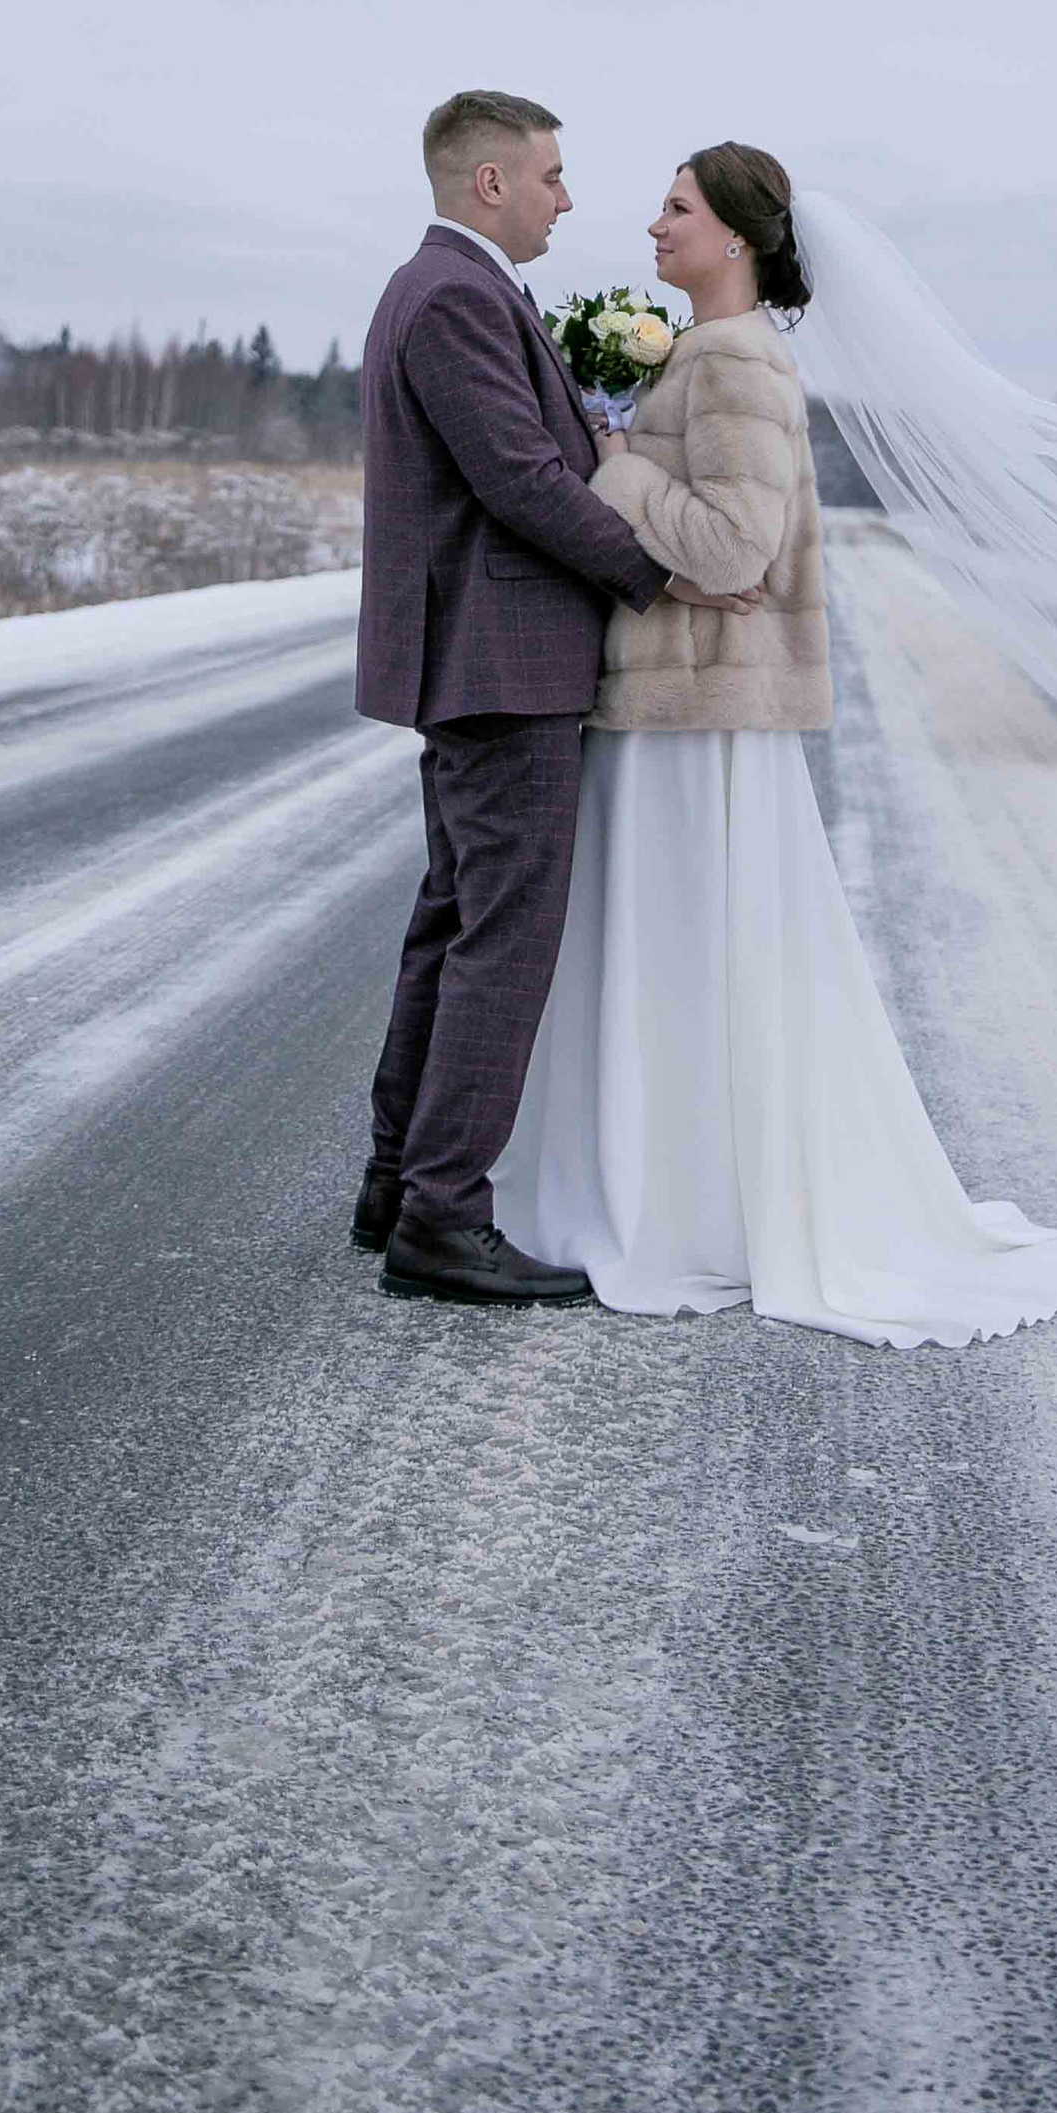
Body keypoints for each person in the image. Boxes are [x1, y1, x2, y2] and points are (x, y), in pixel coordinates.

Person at [492, 142, 1057, 1349]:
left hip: (699, 722)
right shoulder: (708, 356)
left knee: (685, 960)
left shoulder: (736, 365)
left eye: (676, 209)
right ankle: (649, 1183)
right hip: (676, 711)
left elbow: (730, 552)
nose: (653, 226)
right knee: (670, 960)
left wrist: (608, 471)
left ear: (735, 240)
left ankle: (686, 1204)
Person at [352, 90, 756, 1308]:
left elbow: (536, 455)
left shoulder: (449, 292)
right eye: (553, 176)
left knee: (453, 925)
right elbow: (521, 480)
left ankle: (396, 1185)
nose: (569, 200)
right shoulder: (459, 297)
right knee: (502, 947)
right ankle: (441, 1216)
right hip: (501, 660)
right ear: (490, 184)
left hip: (479, 658)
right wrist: (661, 567)